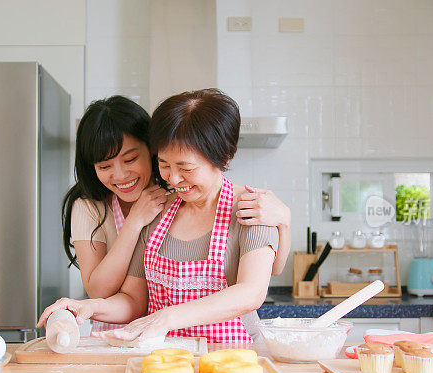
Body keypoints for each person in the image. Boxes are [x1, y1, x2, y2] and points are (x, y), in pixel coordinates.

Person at [41, 89, 286, 343]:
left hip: (233, 362)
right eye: (164, 165)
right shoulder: (156, 209)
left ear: (223, 156)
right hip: (165, 362)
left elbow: (251, 293)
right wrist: (90, 307)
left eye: (185, 168)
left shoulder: (253, 208)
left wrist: (167, 317)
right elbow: (134, 301)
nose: (174, 179)